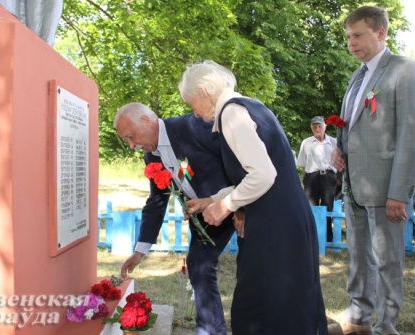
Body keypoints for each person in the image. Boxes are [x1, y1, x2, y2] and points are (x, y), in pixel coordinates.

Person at [178, 60, 327, 335]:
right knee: (283, 306)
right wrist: (211, 199)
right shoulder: (249, 105)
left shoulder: (232, 114)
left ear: (205, 92)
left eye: (192, 104)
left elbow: (263, 175)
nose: (195, 114)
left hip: (276, 226)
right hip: (286, 219)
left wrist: (225, 206)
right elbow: (252, 175)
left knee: (265, 309)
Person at [329, 6, 415, 335]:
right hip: (355, 185)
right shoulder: (357, 77)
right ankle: (358, 319)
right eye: (348, 37)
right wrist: (340, 153)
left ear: (380, 33)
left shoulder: (406, 70)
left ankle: (387, 327)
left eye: (358, 35)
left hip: (386, 190)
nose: (351, 43)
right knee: (358, 258)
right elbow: (353, 128)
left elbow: (411, 136)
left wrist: (400, 192)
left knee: (387, 262)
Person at [114, 102, 241, 335]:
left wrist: (238, 205)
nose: (132, 145)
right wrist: (139, 251)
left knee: (251, 268)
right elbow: (157, 201)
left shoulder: (190, 127)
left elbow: (236, 158)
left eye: (131, 137)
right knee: (198, 266)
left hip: (239, 202)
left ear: (146, 121)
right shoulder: (150, 157)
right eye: (127, 141)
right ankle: (211, 330)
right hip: (205, 215)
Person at [297, 116, 337, 242]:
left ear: (325, 127)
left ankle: (328, 236)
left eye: (320, 126)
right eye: (314, 127)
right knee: (310, 206)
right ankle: (311, 236)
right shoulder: (306, 142)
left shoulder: (333, 142)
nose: (317, 129)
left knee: (328, 205)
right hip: (311, 177)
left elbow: (339, 162)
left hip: (328, 176)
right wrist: (311, 175)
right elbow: (302, 164)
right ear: (311, 128)